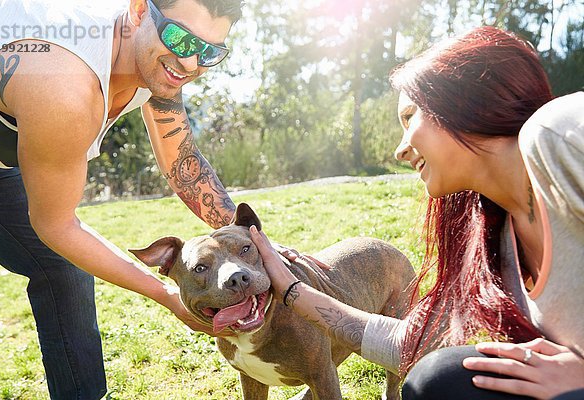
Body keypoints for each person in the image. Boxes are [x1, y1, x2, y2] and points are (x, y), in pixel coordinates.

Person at [249, 26, 584, 400]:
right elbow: (409, 344)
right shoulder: (493, 239)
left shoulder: (558, 135)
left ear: (463, 97)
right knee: (435, 380)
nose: (400, 151)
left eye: (410, 118)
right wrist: (291, 289)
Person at [0, 0, 242, 398]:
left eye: (209, 52)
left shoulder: (153, 60)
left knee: (63, 268)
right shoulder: (63, 85)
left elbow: (183, 164)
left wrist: (256, 243)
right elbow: (55, 224)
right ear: (140, 10)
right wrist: (168, 294)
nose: (190, 64)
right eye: (178, 36)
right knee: (59, 248)